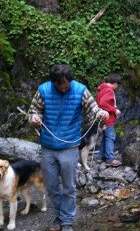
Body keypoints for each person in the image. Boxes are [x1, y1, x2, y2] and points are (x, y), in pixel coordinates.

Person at [29, 64, 108, 231]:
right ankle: (59, 214)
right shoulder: (43, 90)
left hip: (70, 146)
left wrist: (101, 113)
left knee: (69, 186)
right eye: (59, 85)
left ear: (70, 81)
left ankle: (66, 221)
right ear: (54, 82)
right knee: (51, 186)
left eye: (66, 84)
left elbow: (93, 108)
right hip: (48, 146)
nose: (63, 88)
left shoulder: (80, 90)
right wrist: (34, 118)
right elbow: (33, 111)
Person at [96, 74, 122, 167]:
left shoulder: (102, 89)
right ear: (115, 83)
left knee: (105, 137)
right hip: (108, 119)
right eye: (117, 85)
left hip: (102, 118)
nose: (117, 87)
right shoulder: (109, 90)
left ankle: (100, 156)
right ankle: (110, 159)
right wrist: (115, 110)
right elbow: (103, 103)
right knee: (111, 138)